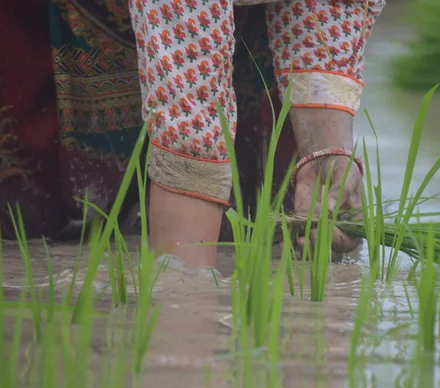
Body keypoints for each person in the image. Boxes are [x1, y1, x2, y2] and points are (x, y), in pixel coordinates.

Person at [0, 0, 385, 269]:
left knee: (265, 234)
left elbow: (335, 10)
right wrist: (185, 294)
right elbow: (191, 112)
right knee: (38, 239)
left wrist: (326, 151)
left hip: (250, 25)